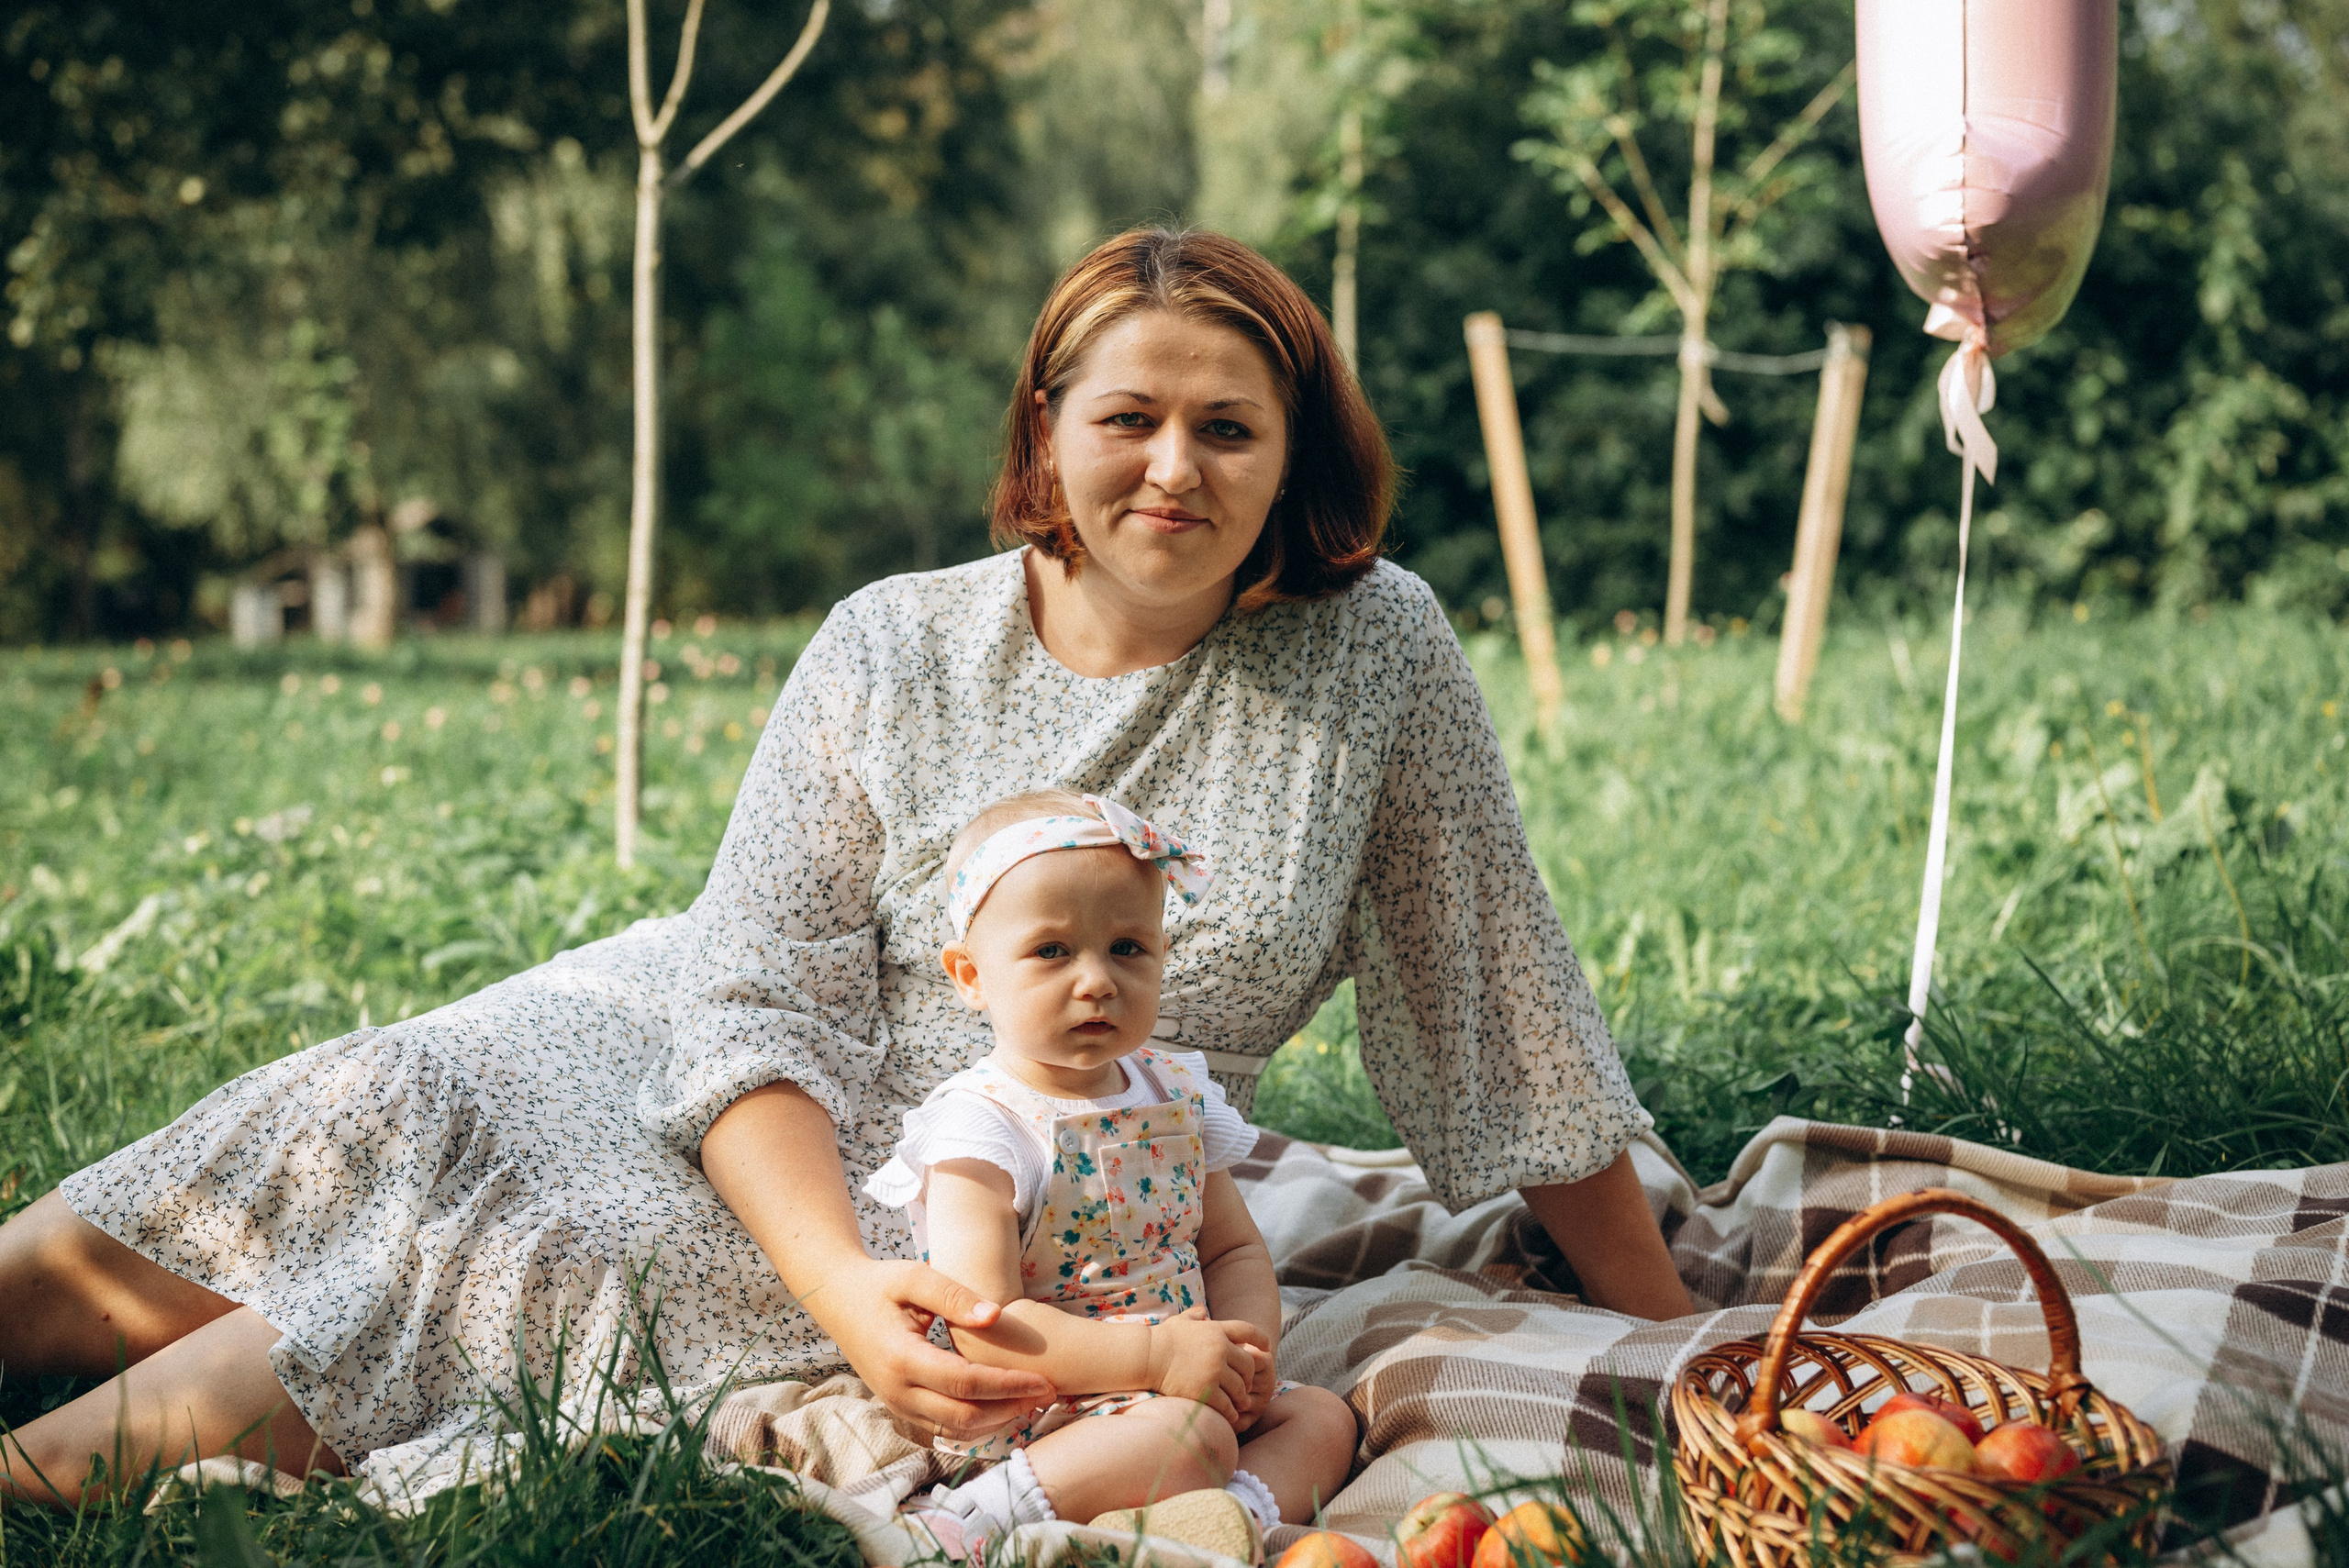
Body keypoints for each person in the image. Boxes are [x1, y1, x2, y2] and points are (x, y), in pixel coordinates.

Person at [0, 227, 1693, 1509]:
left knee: (546, 1254)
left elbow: (1504, 1001)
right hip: (725, 1068)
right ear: (1049, 429)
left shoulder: (1376, 652)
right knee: (387, 1098)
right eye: (1130, 417)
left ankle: (37, 1488)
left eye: (1228, 429)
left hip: (992, 1181)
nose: (1175, 468)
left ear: (1296, 449)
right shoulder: (890, 640)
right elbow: (745, 996)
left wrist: (1674, 1332)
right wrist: (844, 1298)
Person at [870, 789, 1356, 1555]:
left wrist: (1248, 1351)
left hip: (1184, 1379)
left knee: (1324, 1419)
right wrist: (1156, 1358)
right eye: (1052, 951)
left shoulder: (1175, 1090)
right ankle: (976, 1515)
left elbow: (1230, 1248)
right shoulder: (982, 1126)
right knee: (1188, 1434)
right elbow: (987, 1329)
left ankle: (1226, 1519)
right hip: (1048, 1403)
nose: (1095, 979)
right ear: (970, 975)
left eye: (1127, 947)